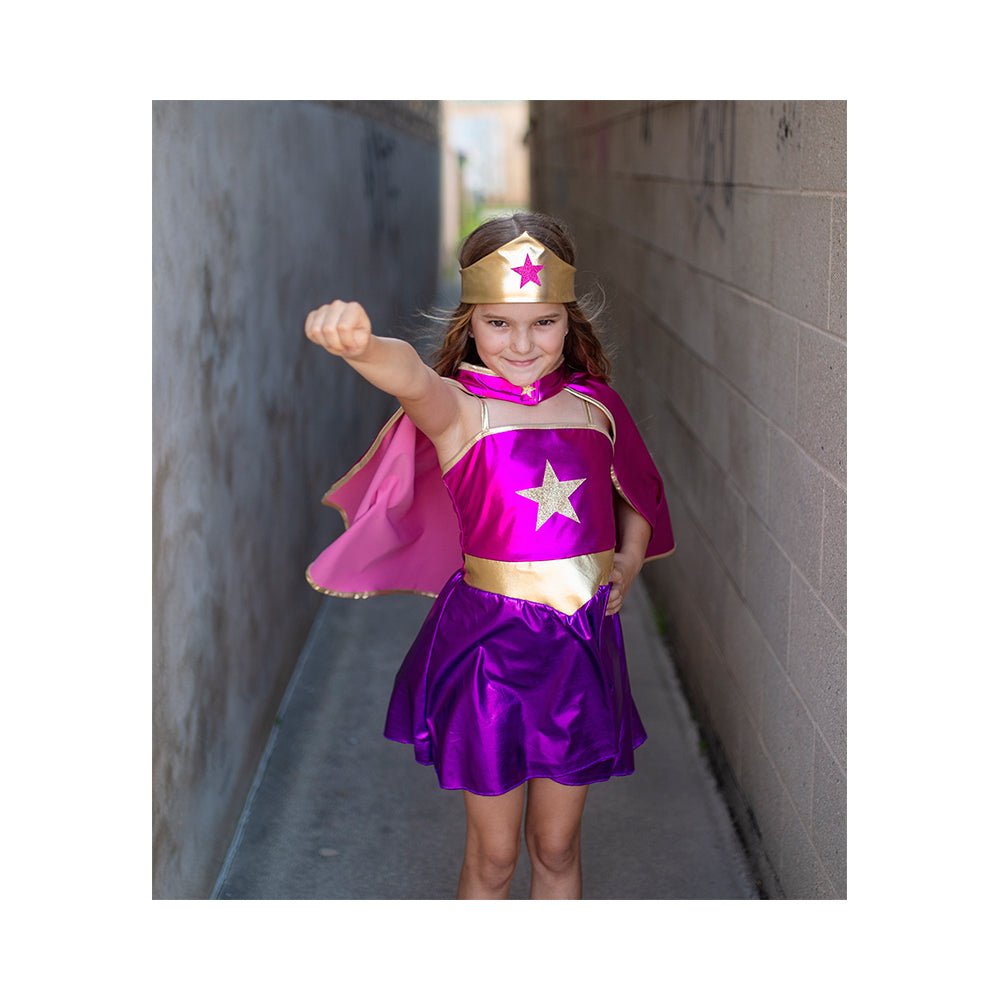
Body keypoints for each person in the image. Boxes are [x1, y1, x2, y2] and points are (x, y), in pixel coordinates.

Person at [304, 212, 674, 900]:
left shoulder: (596, 409)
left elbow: (638, 496)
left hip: (581, 650)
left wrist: (626, 562)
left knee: (557, 847)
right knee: (496, 855)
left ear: (569, 321)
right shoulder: (461, 411)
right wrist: (362, 347)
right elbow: (411, 377)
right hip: (491, 656)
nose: (522, 343)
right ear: (470, 322)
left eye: (543, 323)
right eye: (499, 323)